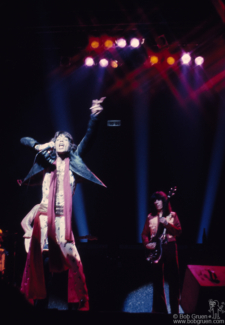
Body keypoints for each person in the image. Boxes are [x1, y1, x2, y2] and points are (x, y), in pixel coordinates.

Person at [18, 98, 106, 311]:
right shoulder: (46, 162)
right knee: (38, 265)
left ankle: (81, 306)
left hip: (61, 221)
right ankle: (35, 305)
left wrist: (94, 117)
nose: (61, 141)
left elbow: (89, 139)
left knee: (74, 262)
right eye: (58, 139)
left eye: (65, 140)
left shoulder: (74, 162)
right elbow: (23, 140)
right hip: (42, 218)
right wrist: (41, 145)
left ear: (71, 146)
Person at [141, 191, 182, 314]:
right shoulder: (150, 216)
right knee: (157, 281)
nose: (156, 202)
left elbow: (178, 232)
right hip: (156, 249)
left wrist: (167, 224)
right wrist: (147, 244)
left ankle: (175, 312)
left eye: (158, 200)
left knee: (174, 280)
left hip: (170, 247)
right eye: (154, 200)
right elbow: (144, 234)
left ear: (164, 201)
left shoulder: (173, 215)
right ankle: (160, 312)